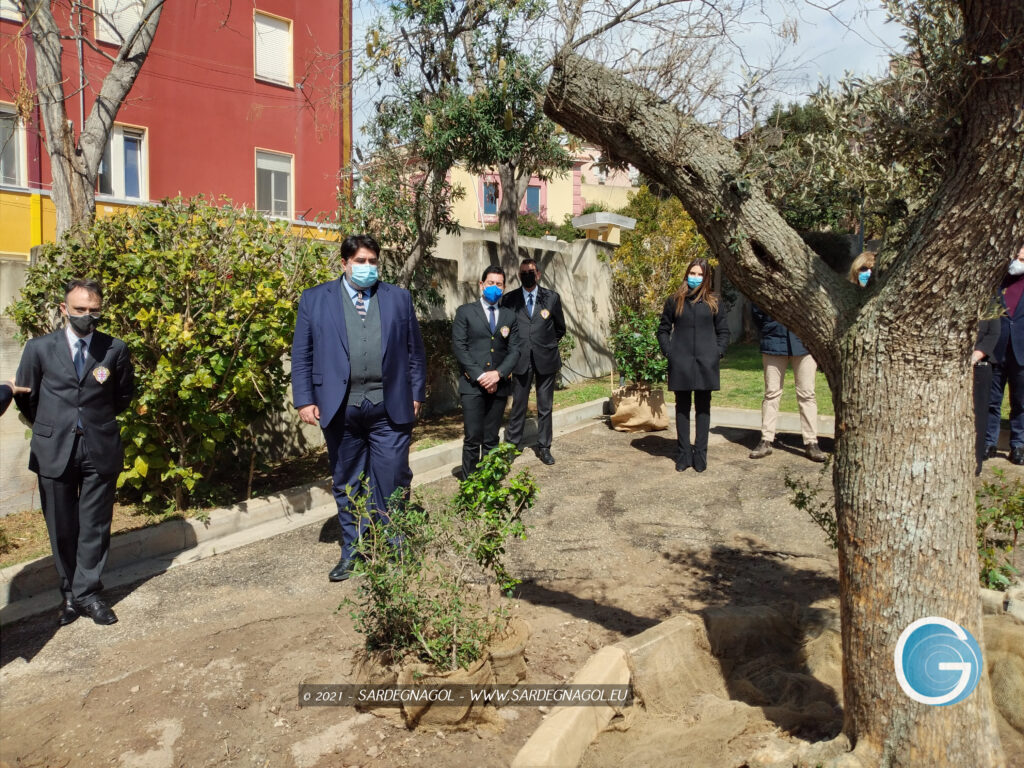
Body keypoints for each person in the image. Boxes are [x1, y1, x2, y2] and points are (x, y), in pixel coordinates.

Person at [291, 234, 426, 582]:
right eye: (361, 261)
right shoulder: (315, 300)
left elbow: (415, 352)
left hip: (390, 406)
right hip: (340, 408)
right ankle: (353, 551)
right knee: (347, 481)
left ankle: (395, 545)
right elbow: (302, 354)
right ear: (344, 263)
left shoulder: (397, 298)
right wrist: (304, 399)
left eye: (373, 261)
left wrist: (416, 394)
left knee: (393, 478)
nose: (368, 268)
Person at [14, 279, 135, 626]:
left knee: (95, 526)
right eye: (80, 310)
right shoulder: (39, 349)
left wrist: (93, 421)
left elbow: (122, 396)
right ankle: (69, 595)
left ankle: (89, 594)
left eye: (94, 310)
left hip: (100, 446)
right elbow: (27, 398)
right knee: (62, 527)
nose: (87, 316)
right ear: (65, 309)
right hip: (54, 449)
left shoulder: (114, 348)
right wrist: (56, 426)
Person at [657, 258, 730, 472]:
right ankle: (683, 454)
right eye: (692, 273)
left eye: (699, 274)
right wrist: (669, 352)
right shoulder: (674, 300)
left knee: (703, 408)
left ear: (706, 277)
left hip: (706, 362)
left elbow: (723, 331)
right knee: (682, 409)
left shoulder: (714, 301)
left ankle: (700, 454)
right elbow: (663, 330)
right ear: (686, 274)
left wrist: (718, 352)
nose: (695, 277)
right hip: (681, 361)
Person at [452, 266, 520, 479]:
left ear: (504, 287)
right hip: (472, 385)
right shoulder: (465, 312)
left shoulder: (510, 316)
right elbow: (459, 347)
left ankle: (490, 481)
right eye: (490, 283)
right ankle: (470, 483)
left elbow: (515, 350)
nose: (494, 287)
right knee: (473, 437)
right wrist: (481, 376)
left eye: (498, 284)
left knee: (492, 438)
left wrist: (498, 374)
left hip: (499, 386)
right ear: (481, 285)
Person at [500, 258, 566, 465]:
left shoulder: (551, 298)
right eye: (523, 273)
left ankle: (544, 447)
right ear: (519, 276)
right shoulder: (510, 299)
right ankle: (513, 445)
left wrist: (545, 344)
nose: (527, 275)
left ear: (538, 274)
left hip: (546, 358)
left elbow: (560, 328)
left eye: (530, 272)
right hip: (520, 360)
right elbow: (506, 329)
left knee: (545, 406)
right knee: (519, 404)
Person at [748, 305, 827, 462]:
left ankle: (811, 442)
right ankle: (766, 439)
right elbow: (757, 310)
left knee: (807, 394)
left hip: (804, 343)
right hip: (774, 340)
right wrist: (769, 327)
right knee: (771, 393)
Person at [985, 245, 1024, 465]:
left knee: (1020, 402)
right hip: (996, 349)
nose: (1019, 254)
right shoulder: (998, 280)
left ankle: (1018, 446)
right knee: (992, 400)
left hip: (1021, 350)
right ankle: (989, 442)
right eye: (1017, 249)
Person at [973, 308, 1001, 474]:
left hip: (980, 365)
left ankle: (976, 463)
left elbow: (993, 333)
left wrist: (976, 356)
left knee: (979, 416)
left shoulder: (990, 301)